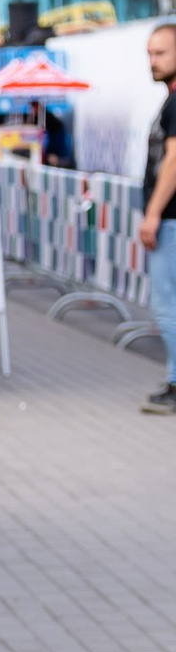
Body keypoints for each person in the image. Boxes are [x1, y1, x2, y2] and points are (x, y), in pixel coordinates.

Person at [141, 22, 176, 412]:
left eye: (161, 53)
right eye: (150, 53)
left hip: (170, 220)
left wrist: (152, 214)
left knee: (168, 306)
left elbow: (173, 160)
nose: (152, 61)